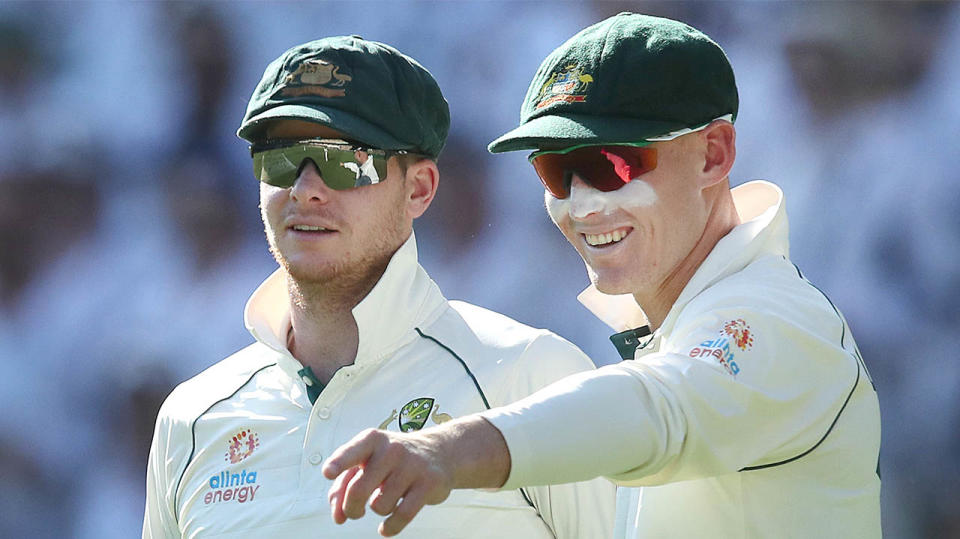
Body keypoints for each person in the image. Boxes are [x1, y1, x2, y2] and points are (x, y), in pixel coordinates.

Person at [323, 13, 882, 538]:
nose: (582, 206)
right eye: (556, 171)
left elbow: (657, 408)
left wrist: (447, 449)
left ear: (713, 154)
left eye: (613, 164)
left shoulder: (779, 316)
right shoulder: (677, 319)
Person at [142, 36, 615, 538]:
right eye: (279, 157)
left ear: (420, 189)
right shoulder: (191, 418)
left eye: (345, 159)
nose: (305, 188)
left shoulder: (533, 375)